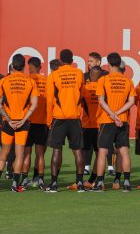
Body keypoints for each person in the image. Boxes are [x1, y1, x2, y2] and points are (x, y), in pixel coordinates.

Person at [0, 54, 38, 192]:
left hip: (8, 122)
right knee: (20, 153)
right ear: (24, 66)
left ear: (12, 65)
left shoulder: (4, 81)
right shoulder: (30, 82)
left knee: (4, 151)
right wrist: (23, 120)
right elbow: (34, 105)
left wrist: (9, 119)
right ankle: (15, 183)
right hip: (22, 123)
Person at [90, 53, 135, 192]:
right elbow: (131, 102)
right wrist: (118, 114)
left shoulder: (103, 80)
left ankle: (100, 183)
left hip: (107, 120)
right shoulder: (128, 81)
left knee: (102, 152)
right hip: (122, 120)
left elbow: (101, 101)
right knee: (124, 152)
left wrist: (112, 114)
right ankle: (126, 182)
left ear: (108, 64)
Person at [45, 49, 85, 193]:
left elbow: (49, 100)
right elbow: (82, 94)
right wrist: (77, 110)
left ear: (60, 60)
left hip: (59, 117)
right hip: (74, 118)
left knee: (57, 150)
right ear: (72, 59)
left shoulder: (53, 75)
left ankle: (54, 184)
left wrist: (49, 120)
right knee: (77, 150)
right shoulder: (79, 73)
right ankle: (80, 183)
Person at [83, 52, 113, 176]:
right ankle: (87, 166)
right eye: (88, 61)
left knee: (106, 144)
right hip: (88, 118)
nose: (88, 63)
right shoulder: (84, 76)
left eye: (91, 61)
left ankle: (110, 166)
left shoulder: (106, 75)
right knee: (89, 144)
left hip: (103, 118)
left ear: (98, 62)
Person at [24, 56, 48, 189]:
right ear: (40, 67)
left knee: (26, 153)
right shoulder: (47, 81)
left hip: (28, 120)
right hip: (42, 122)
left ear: (29, 67)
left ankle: (24, 180)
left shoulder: (27, 80)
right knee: (40, 154)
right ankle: (40, 180)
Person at [80, 66, 102, 190]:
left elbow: (80, 103)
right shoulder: (103, 88)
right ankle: (95, 179)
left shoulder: (85, 88)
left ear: (90, 75)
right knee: (100, 154)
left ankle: (80, 180)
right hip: (100, 126)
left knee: (82, 153)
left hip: (87, 126)